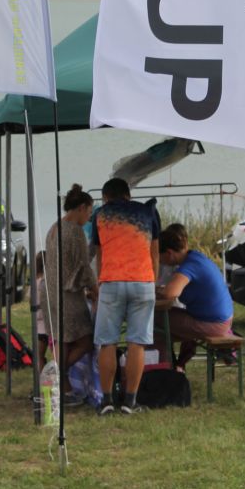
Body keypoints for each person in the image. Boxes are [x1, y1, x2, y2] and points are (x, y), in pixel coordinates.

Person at [90, 177, 159, 416]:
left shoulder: (100, 215)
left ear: (106, 197)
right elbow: (154, 253)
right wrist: (153, 281)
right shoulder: (148, 212)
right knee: (137, 342)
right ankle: (130, 401)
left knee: (107, 342)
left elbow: (99, 254)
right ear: (128, 194)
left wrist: (100, 284)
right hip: (143, 281)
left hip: (111, 281)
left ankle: (107, 401)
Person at [156, 223, 234, 368]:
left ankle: (162, 369)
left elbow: (170, 293)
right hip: (219, 319)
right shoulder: (195, 257)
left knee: (155, 319)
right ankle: (168, 367)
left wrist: (157, 292)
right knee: (159, 331)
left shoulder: (189, 266)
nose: (159, 261)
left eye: (159, 257)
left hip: (214, 324)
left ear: (169, 253)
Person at [43, 184, 98, 373]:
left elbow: (74, 260)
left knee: (63, 340)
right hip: (67, 296)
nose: (89, 217)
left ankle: (60, 381)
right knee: (86, 341)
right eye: (89, 212)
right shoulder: (75, 231)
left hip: (51, 292)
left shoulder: (56, 226)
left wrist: (94, 247)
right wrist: (96, 291)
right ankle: (56, 375)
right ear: (81, 208)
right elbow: (84, 268)